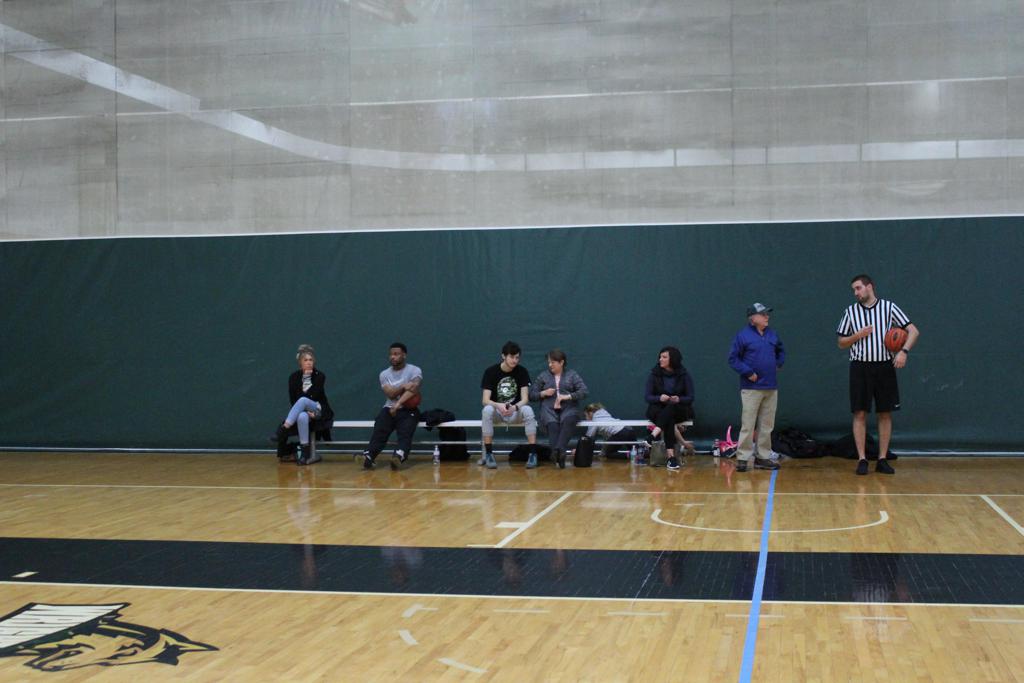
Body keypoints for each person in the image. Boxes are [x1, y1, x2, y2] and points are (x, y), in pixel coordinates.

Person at [837, 274, 920, 475]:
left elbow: (913, 331)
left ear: (870, 287)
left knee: (885, 412)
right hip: (860, 367)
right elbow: (841, 342)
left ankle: (882, 459)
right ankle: (862, 459)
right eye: (854, 290)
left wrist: (903, 351)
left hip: (884, 366)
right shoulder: (850, 312)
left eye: (858, 288)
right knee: (859, 413)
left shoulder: (889, 307)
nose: (856, 293)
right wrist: (857, 335)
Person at [728, 302, 785, 472]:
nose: (767, 317)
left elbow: (781, 350)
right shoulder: (742, 336)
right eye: (763, 314)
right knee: (748, 423)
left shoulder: (772, 334)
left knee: (767, 425)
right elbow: (733, 359)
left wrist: (778, 363)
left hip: (771, 386)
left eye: (767, 314)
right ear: (752, 318)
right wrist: (747, 372)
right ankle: (743, 458)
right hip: (751, 388)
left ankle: (763, 457)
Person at [362, 342, 423, 470]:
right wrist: (403, 386)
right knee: (380, 430)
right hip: (389, 409)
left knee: (405, 433)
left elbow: (413, 389)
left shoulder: (414, 370)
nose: (392, 357)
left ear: (404, 355)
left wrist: (398, 404)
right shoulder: (384, 374)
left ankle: (398, 456)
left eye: (396, 354)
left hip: (408, 410)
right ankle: (369, 456)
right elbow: (390, 394)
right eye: (391, 354)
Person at [480, 341, 538, 469]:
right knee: (487, 410)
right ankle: (489, 454)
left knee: (528, 410)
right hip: (498, 413)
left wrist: (514, 407)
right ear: (503, 356)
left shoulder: (522, 371)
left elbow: (525, 399)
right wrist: (498, 405)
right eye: (511, 357)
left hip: (515, 413)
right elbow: (485, 400)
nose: (514, 360)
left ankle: (533, 454)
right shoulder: (490, 372)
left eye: (517, 357)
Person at [274, 344, 334, 465]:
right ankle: (305, 454)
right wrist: (304, 411)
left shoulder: (319, 376)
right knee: (302, 416)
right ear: (300, 363)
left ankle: (284, 428)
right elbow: (293, 400)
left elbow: (312, 396)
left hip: (318, 409)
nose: (309, 362)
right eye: (305, 360)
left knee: (302, 400)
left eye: (311, 360)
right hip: (303, 411)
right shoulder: (293, 377)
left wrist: (307, 377)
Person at [529, 349, 588, 468]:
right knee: (552, 425)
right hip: (549, 410)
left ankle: (557, 451)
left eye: (553, 362)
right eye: (549, 362)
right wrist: (543, 393)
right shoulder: (543, 376)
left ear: (561, 362)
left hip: (569, 407)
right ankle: (560, 454)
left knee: (569, 420)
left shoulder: (572, 374)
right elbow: (531, 395)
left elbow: (584, 391)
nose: (550, 365)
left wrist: (568, 396)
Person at [644, 346, 695, 471]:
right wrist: (659, 398)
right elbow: (648, 397)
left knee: (671, 408)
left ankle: (653, 435)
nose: (660, 359)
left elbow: (690, 397)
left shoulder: (683, 375)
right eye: (660, 357)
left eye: (664, 357)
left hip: (679, 409)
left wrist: (679, 399)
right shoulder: (654, 374)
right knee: (668, 419)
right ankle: (671, 458)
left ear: (673, 359)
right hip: (658, 409)